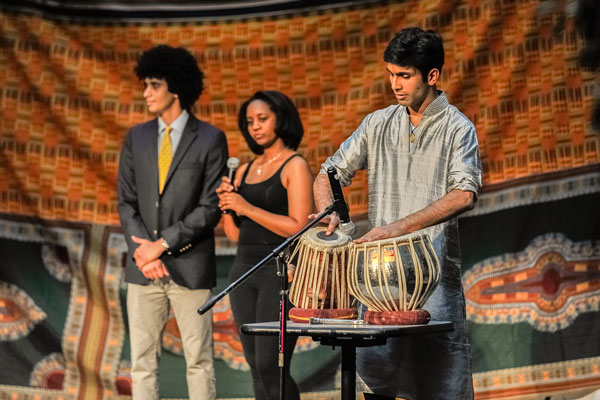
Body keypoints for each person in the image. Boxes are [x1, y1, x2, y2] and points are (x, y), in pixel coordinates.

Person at [312, 28, 482, 400]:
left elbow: (463, 194)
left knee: (440, 381)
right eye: (391, 74)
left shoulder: (458, 128)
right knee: (377, 379)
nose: (395, 84)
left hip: (432, 273)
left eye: (404, 75)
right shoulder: (378, 123)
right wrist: (332, 213)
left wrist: (396, 228)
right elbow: (329, 173)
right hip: (378, 277)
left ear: (432, 76)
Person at [117, 44, 228, 400]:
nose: (146, 93)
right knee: (142, 363)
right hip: (143, 270)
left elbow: (210, 208)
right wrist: (144, 253)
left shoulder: (211, 138)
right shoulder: (136, 137)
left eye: (153, 85)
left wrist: (160, 246)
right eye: (145, 85)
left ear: (175, 88)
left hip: (190, 265)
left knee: (199, 361)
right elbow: (126, 202)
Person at [216, 90, 313, 400]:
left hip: (279, 274)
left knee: (272, 366)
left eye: (262, 119)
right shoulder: (243, 170)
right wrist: (228, 207)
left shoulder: (294, 165)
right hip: (243, 274)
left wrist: (247, 208)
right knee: (256, 366)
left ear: (280, 119)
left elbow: (299, 226)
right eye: (249, 121)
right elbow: (235, 235)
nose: (255, 127)